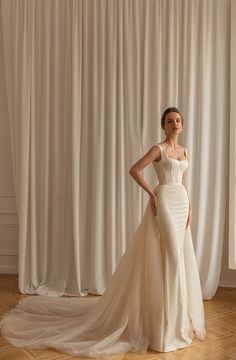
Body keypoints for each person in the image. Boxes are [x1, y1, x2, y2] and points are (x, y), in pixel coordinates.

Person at [0, 107, 206, 357]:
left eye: (178, 121)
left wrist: (190, 206)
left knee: (180, 261)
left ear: (182, 125)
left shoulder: (185, 151)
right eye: (170, 121)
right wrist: (152, 193)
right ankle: (164, 331)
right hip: (163, 203)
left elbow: (182, 183)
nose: (175, 124)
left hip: (181, 203)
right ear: (163, 125)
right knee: (172, 260)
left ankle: (176, 325)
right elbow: (135, 170)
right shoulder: (158, 149)